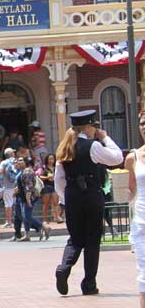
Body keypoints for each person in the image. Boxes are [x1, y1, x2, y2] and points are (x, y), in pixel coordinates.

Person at [54, 110, 124, 296]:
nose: (96, 130)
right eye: (95, 126)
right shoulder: (92, 146)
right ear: (88, 126)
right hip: (91, 195)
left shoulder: (64, 148)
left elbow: (58, 180)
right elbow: (117, 158)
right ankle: (89, 284)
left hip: (72, 197)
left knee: (75, 238)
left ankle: (64, 267)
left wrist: (65, 198)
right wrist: (106, 138)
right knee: (93, 239)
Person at [124, 110, 145, 308]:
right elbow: (130, 190)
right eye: (142, 123)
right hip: (142, 222)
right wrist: (117, 189)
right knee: (144, 276)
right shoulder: (133, 158)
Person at [17, 157, 49, 242]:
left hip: (30, 197)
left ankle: (43, 226)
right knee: (25, 216)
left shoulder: (27, 171)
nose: (18, 162)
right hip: (25, 197)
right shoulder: (24, 171)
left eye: (21, 160)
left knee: (27, 216)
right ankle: (27, 234)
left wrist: (28, 200)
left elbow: (29, 186)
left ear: (26, 162)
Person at [0, 148, 18, 228]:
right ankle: (17, 220)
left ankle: (9, 222)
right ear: (12, 153)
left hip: (7, 186)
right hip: (16, 186)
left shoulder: (4, 162)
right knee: (15, 204)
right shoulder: (16, 161)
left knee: (8, 204)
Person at [40, 154, 59, 224]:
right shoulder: (44, 168)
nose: (51, 161)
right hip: (47, 187)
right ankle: (45, 219)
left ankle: (57, 217)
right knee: (46, 203)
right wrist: (47, 178)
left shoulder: (56, 168)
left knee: (55, 202)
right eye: (50, 159)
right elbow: (40, 177)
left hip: (54, 186)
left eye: (52, 159)